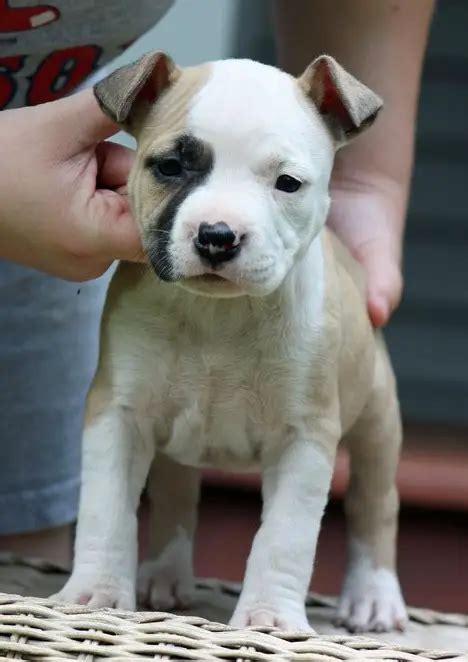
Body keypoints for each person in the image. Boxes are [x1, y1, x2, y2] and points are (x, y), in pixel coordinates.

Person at [0, 0, 433, 564]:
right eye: (174, 168)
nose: (219, 228)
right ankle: (145, 562)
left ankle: (368, 567)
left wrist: (369, 182)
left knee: (24, 534)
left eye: (285, 181)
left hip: (41, 193)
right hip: (38, 174)